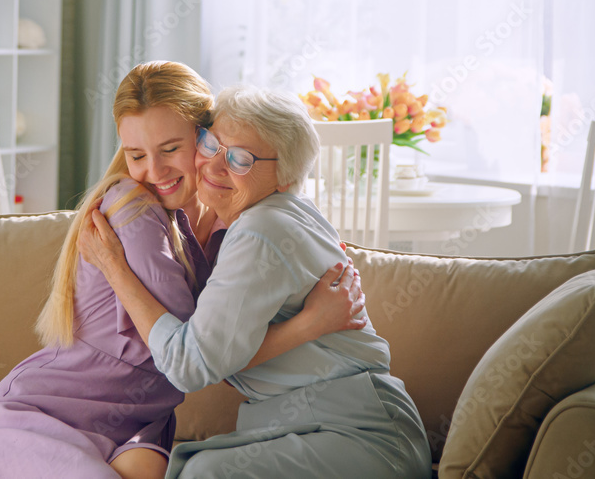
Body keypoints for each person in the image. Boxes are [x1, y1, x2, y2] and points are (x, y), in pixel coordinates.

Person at [0, 62, 366, 479]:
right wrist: (308, 325)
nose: (153, 172)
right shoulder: (132, 206)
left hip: (136, 430)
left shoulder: (235, 227)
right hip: (39, 417)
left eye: (171, 149)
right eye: (136, 155)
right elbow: (193, 352)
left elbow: (217, 348)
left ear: (206, 137)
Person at [79, 85, 433, 478]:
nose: (214, 166)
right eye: (211, 144)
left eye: (241, 159)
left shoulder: (260, 230)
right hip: (328, 427)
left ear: (286, 176)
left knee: (202, 474)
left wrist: (114, 267)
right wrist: (308, 325)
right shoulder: (267, 217)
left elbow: (189, 365)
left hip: (360, 437)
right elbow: (221, 357)